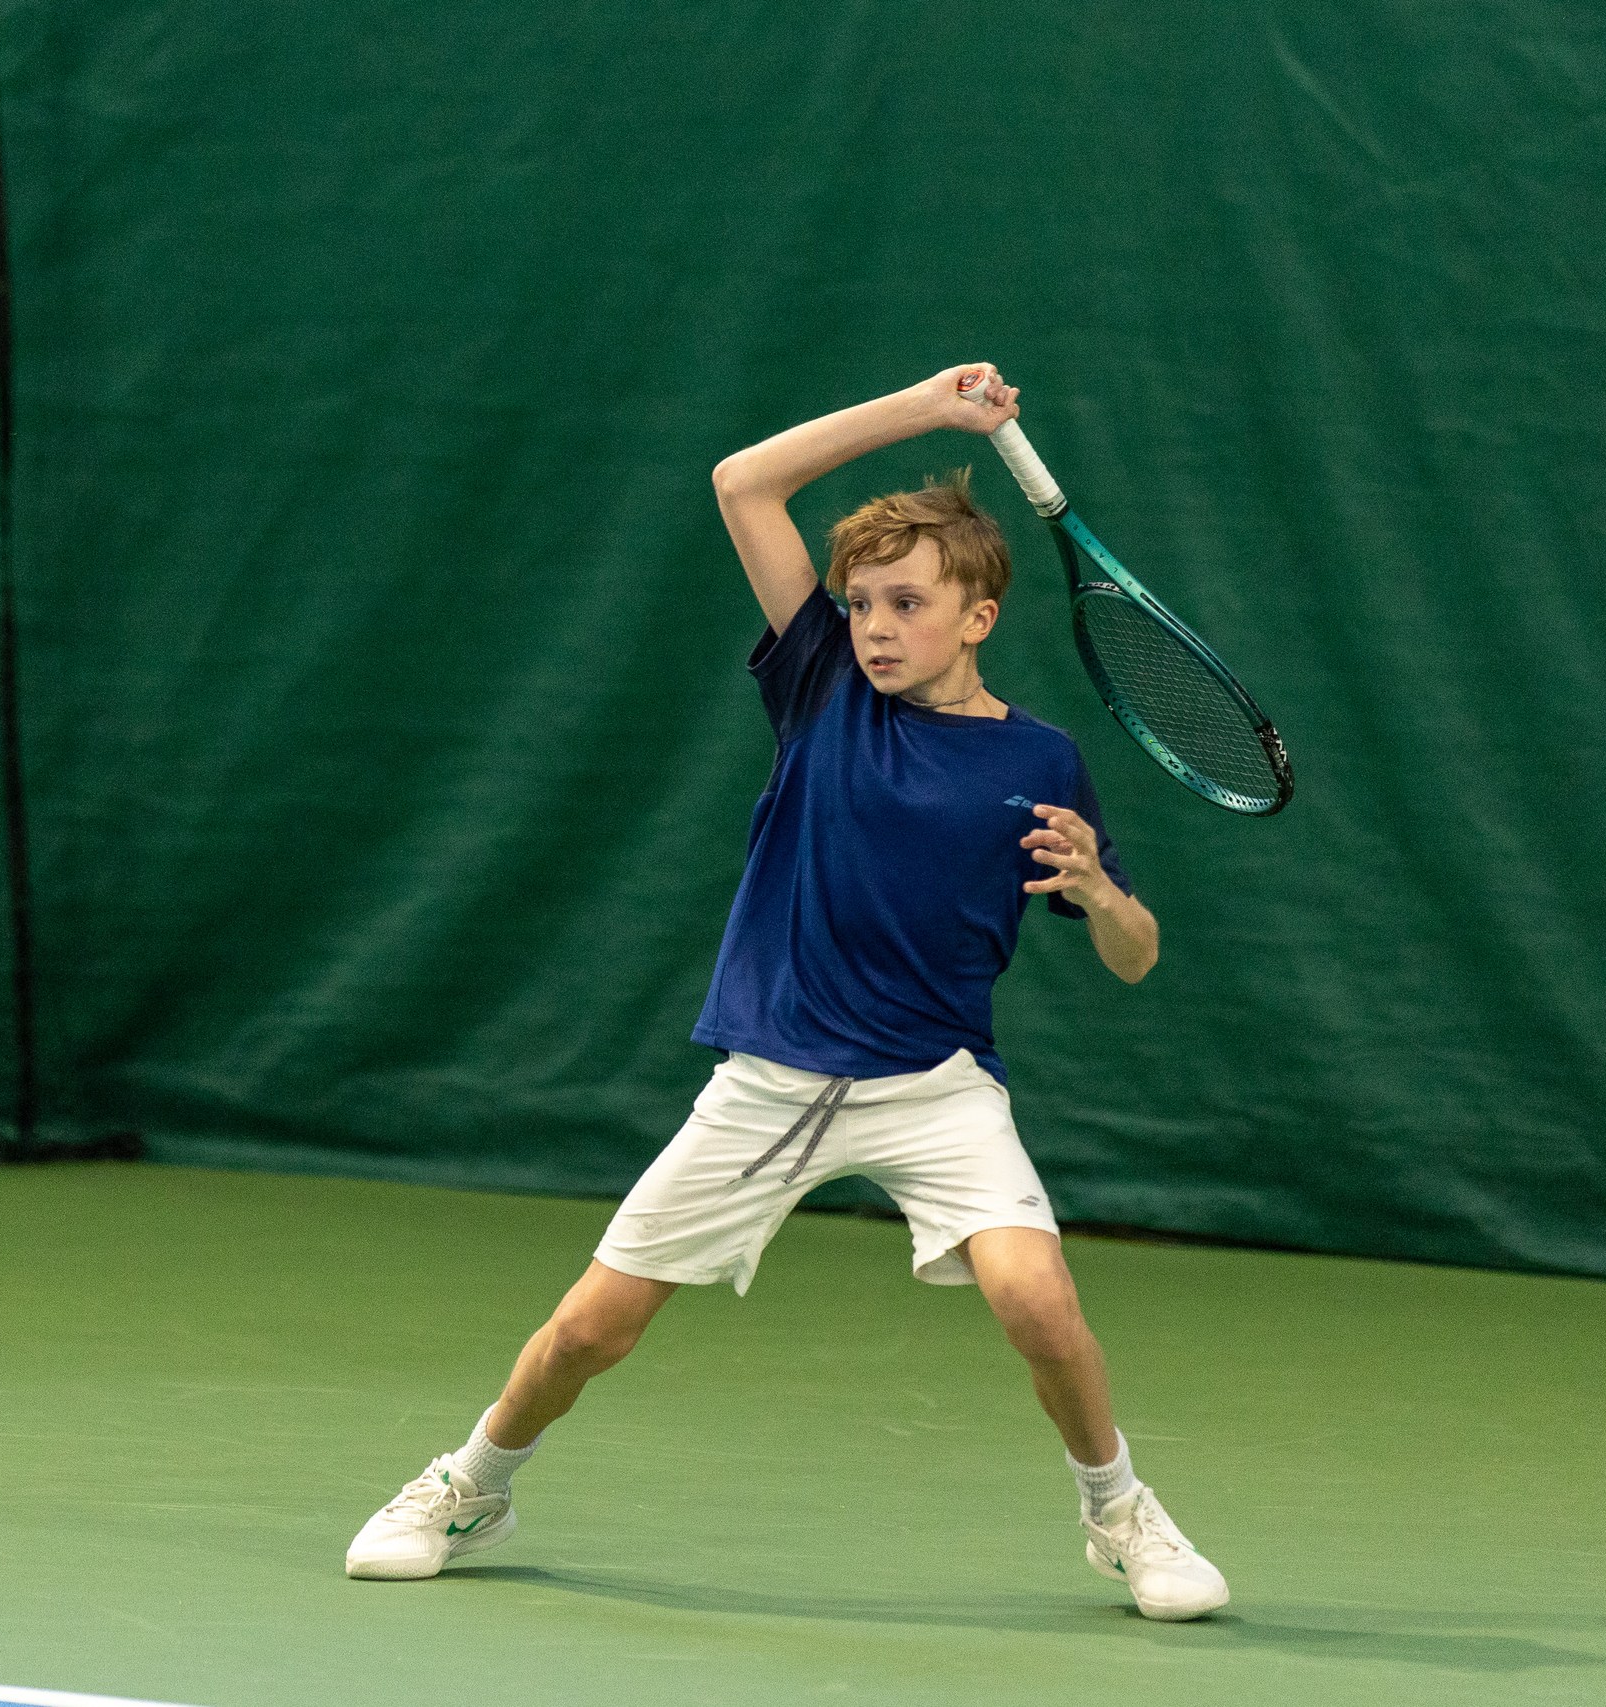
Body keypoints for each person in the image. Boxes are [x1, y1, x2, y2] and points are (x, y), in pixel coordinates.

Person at [343, 365, 1229, 1621]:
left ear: (978, 614)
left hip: (932, 1090)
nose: (873, 625)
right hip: (768, 1079)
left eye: (906, 602)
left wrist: (1096, 890)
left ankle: (1120, 1514)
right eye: (859, 601)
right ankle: (472, 1484)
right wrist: (930, 409)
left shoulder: (1040, 759)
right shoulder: (822, 689)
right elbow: (741, 483)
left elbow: (1136, 954)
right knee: (591, 1331)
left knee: (1037, 1297)